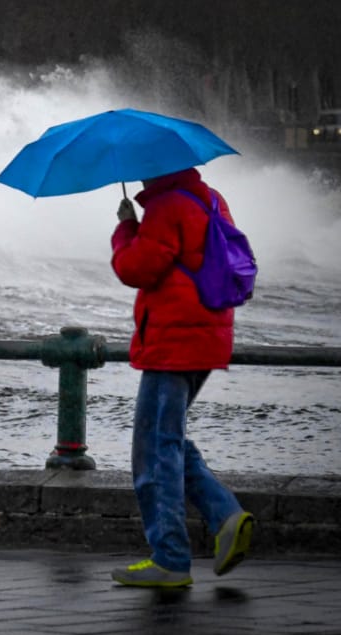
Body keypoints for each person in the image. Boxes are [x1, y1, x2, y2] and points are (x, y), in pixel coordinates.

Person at [109, 167, 254, 588]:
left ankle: (170, 558)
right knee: (165, 439)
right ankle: (225, 516)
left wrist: (124, 230)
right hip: (207, 335)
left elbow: (136, 268)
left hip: (174, 341)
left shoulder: (166, 206)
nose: (137, 178)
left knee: (154, 448)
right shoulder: (210, 198)